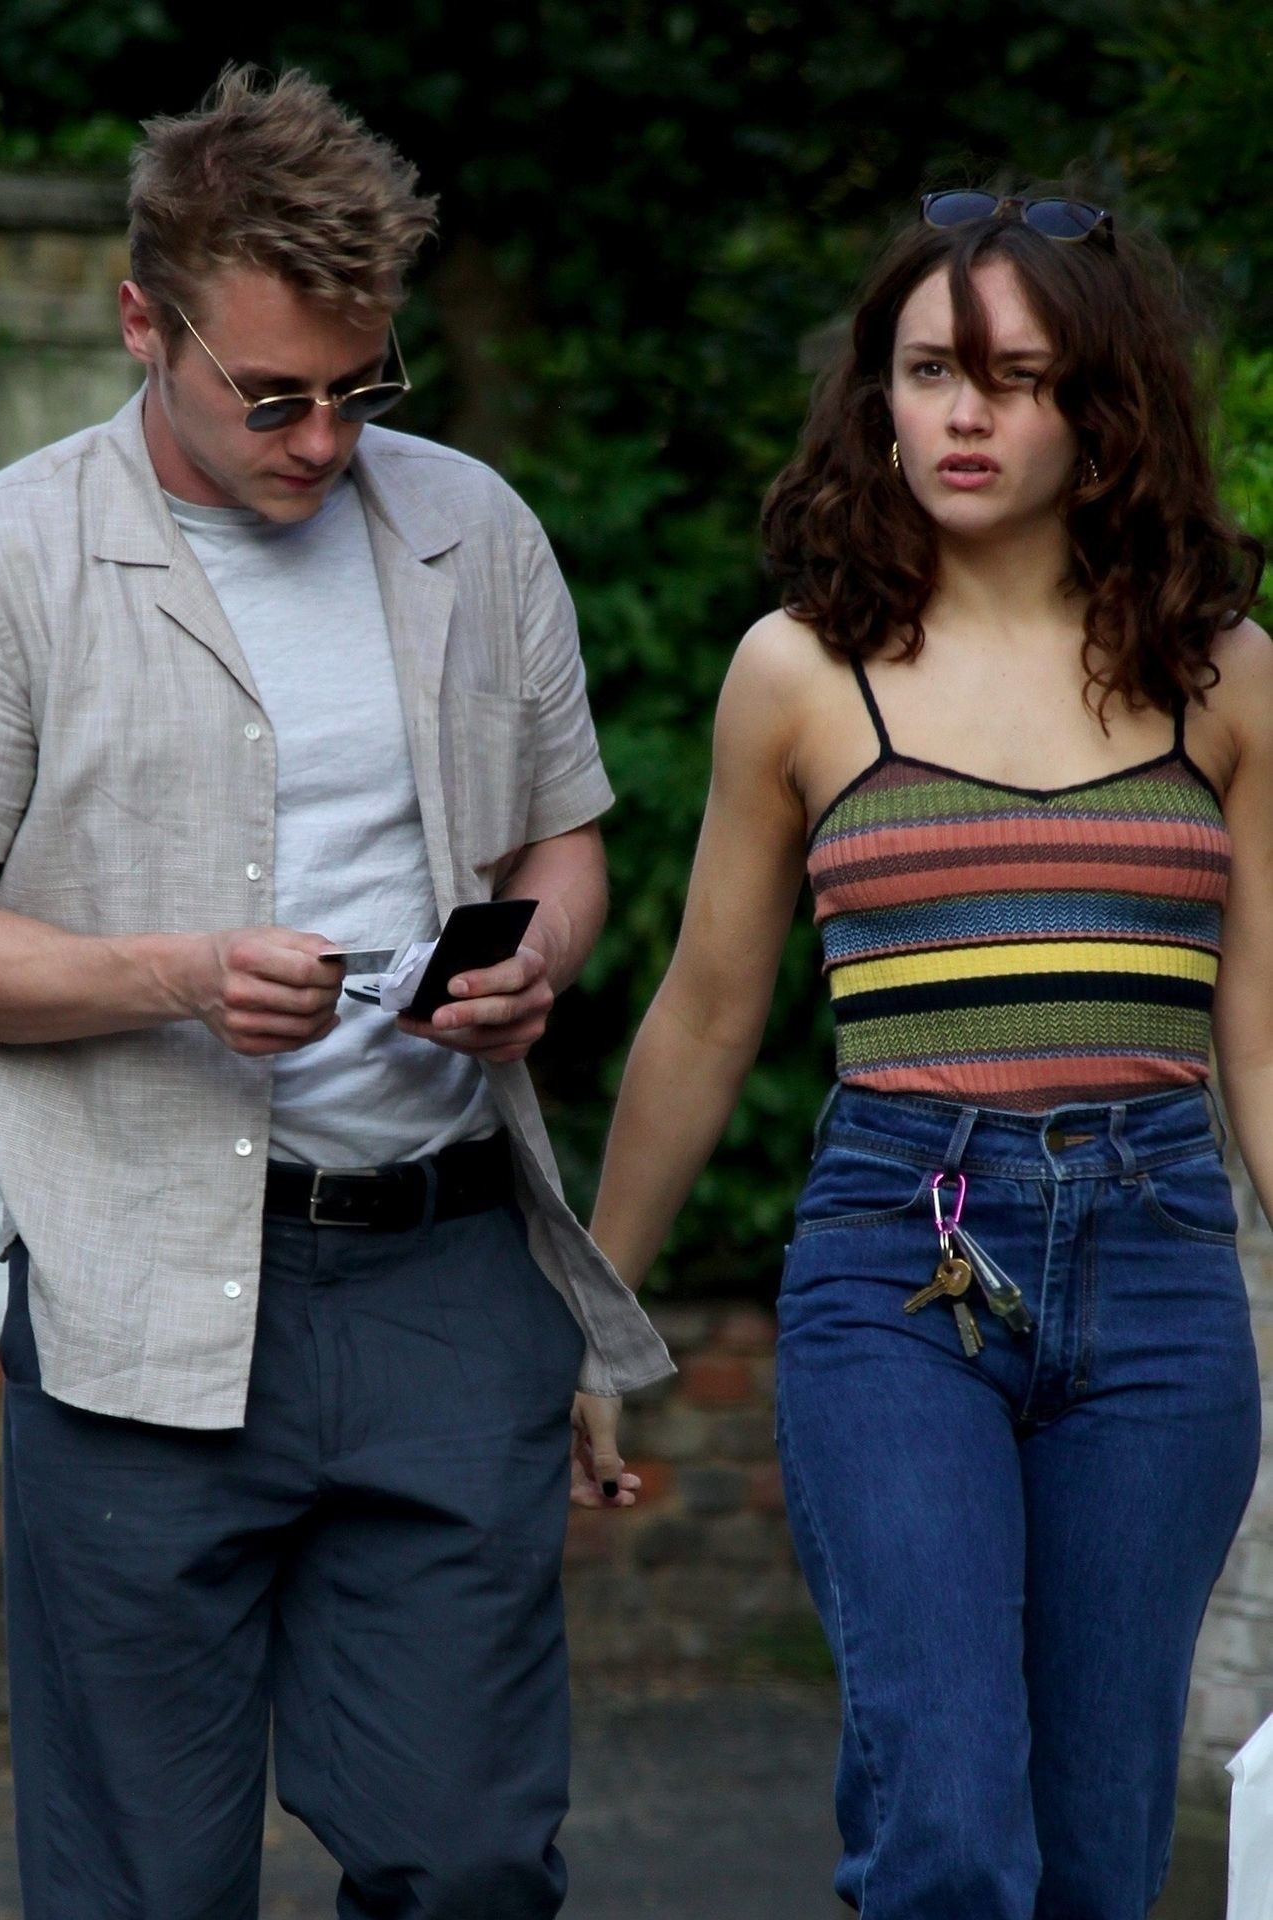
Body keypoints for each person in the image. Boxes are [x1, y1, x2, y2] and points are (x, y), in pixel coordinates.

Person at [0, 65, 668, 1920]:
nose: (324, 439)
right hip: (138, 1293)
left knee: (472, 1867)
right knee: (142, 1887)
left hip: (446, 1280)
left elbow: (564, 843)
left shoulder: (475, 525)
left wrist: (537, 954)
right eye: (272, 396)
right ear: (141, 322)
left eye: (360, 385)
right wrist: (169, 975)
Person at [587, 188, 1269, 1917]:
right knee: (951, 1826)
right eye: (927, 372)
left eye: (1016, 379)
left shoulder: (1226, 676)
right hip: (901, 1259)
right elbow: (706, 1011)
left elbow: (1263, 1042)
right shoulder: (801, 673)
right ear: (874, 395)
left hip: (1160, 1270)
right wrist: (596, 1315)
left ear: (1101, 406)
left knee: (1100, 1859)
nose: (964, 416)